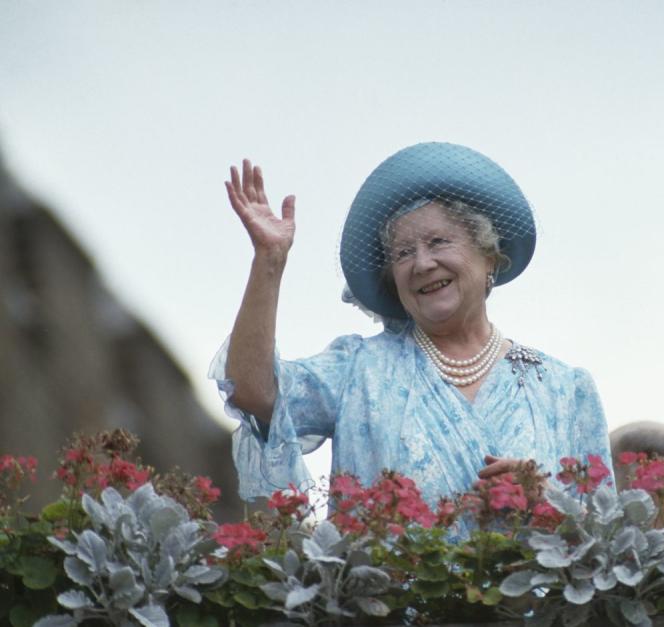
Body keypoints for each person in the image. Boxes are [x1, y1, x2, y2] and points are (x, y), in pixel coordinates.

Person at [210, 142, 613, 505]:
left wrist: (547, 502)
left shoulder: (566, 390)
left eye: (439, 242)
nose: (421, 264)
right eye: (403, 253)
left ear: (489, 256)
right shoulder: (358, 369)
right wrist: (270, 260)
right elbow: (251, 392)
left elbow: (607, 545)